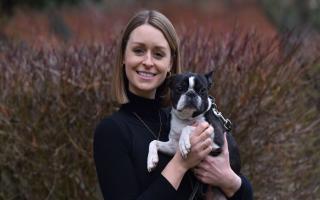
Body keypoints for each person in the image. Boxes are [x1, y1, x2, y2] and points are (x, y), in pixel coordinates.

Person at [93, 10, 253, 200]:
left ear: (170, 63)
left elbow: (245, 195)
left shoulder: (181, 118)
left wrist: (228, 180)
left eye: (158, 54)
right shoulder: (112, 131)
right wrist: (180, 164)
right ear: (123, 57)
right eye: (138, 51)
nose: (148, 62)